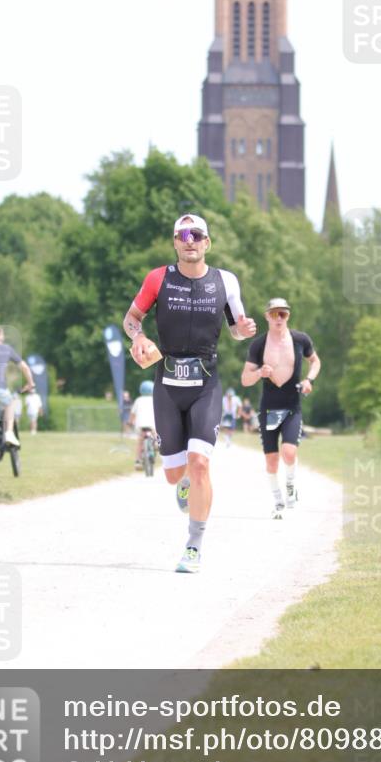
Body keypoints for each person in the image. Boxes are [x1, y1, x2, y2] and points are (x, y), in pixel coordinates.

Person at [123, 213, 256, 573]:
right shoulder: (158, 279)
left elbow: (237, 330)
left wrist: (244, 329)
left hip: (205, 385)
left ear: (207, 243)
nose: (190, 240)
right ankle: (182, 482)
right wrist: (139, 338)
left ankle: (193, 545)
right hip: (167, 384)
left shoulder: (225, 282)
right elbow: (131, 319)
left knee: (200, 464)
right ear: (175, 243)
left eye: (196, 234)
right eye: (182, 235)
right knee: (173, 473)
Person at [241, 298, 320, 518]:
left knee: (289, 451)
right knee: (272, 460)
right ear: (266, 316)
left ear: (288, 316)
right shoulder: (258, 344)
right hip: (268, 409)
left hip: (292, 405)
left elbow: (315, 362)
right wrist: (259, 374)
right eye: (274, 314)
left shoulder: (300, 340)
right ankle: (277, 501)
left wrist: (309, 381)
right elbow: (245, 379)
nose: (278, 318)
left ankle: (291, 485)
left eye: (283, 314)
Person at [0, 327, 35, 447]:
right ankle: (8, 432)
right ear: (1, 336)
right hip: (0, 389)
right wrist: (30, 383)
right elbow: (24, 367)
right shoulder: (6, 349)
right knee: (10, 403)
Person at [130, 380, 157, 468]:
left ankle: (137, 460)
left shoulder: (138, 400)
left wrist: (130, 422)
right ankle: (156, 444)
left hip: (141, 425)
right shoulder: (154, 399)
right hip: (152, 425)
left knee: (140, 441)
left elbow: (133, 414)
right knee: (155, 434)